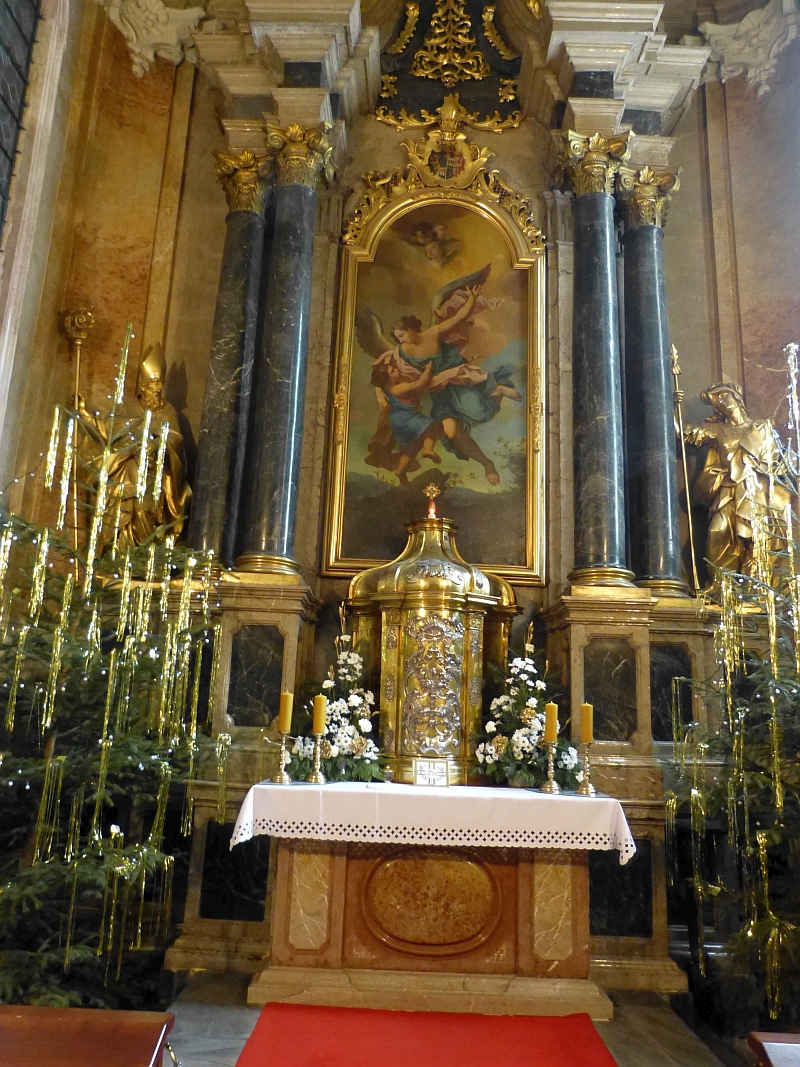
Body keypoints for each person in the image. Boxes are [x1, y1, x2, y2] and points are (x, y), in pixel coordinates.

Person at [677, 381, 792, 582]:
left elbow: (777, 462)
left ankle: (757, 584)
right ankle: (723, 585)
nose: (721, 402)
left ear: (737, 398)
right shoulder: (716, 430)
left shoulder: (762, 426)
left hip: (757, 491)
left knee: (757, 538)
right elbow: (684, 435)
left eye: (724, 396)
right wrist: (672, 407)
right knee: (717, 531)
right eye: (717, 401)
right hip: (728, 492)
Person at [370, 360, 443, 484]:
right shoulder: (398, 388)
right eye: (393, 371)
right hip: (405, 419)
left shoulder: (388, 387)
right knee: (432, 425)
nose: (396, 369)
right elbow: (420, 384)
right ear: (390, 380)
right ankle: (428, 449)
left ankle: (401, 471)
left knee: (411, 448)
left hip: (399, 420)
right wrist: (428, 369)